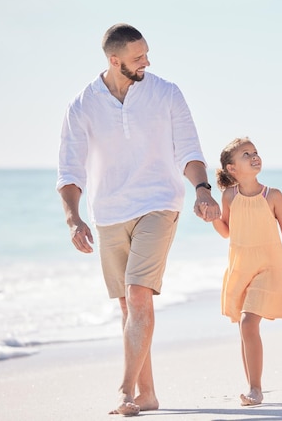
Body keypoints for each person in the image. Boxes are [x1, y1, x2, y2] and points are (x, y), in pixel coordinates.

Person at [56, 23, 220, 416]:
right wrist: (73, 219)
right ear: (114, 61)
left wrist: (202, 189)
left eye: (146, 53)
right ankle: (147, 394)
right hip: (109, 211)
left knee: (139, 294)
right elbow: (70, 168)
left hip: (159, 203)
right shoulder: (83, 104)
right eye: (137, 57)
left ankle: (124, 390)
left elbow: (189, 148)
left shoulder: (166, 93)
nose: (146, 61)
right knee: (129, 308)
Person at [209, 137, 282, 406]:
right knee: (245, 327)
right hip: (241, 267)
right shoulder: (229, 196)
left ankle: (256, 389)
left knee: (248, 323)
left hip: (268, 267)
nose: (254, 156)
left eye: (255, 152)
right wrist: (212, 218)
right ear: (232, 169)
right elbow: (226, 231)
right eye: (246, 154)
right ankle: (252, 386)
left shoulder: (273, 195)